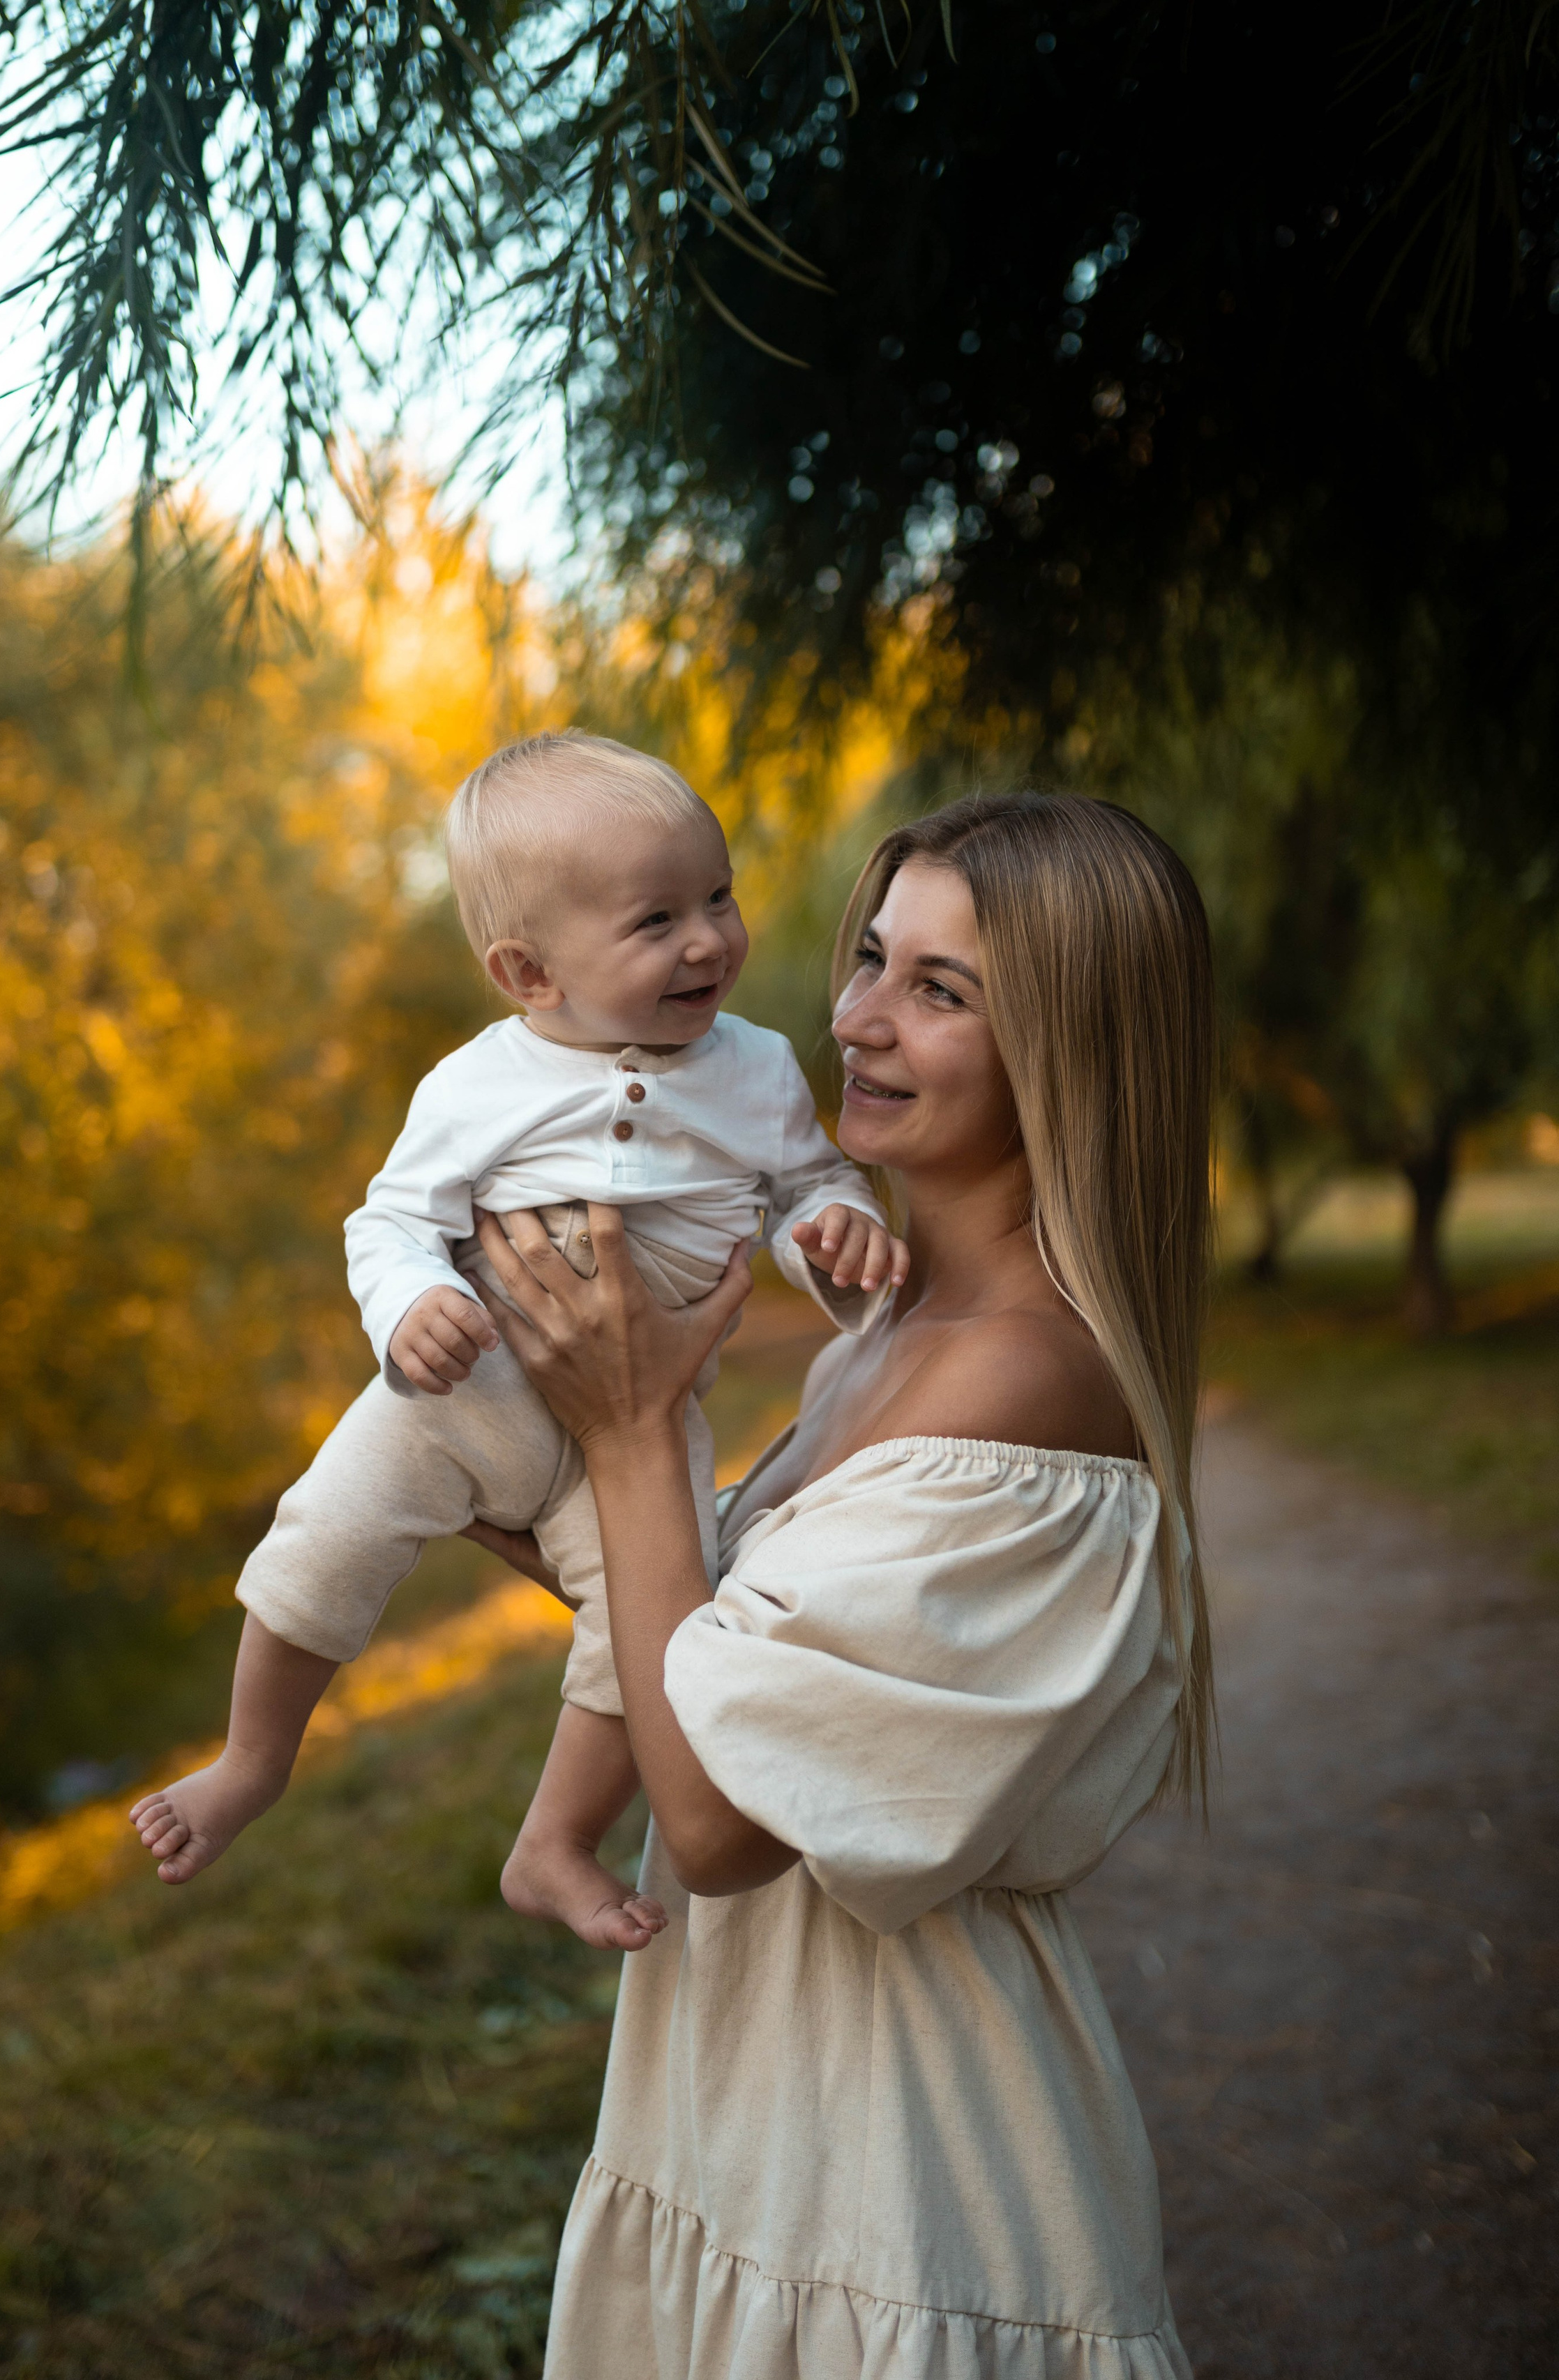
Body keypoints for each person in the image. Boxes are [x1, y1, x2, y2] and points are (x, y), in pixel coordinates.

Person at [469, 791, 1212, 2378]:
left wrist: (629, 1431)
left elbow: (726, 1817)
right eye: (870, 959)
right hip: (744, 2107)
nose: (853, 1020)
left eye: (939, 993)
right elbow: (726, 1666)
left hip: (896, 2163)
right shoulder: (888, 1339)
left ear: (1067, 1051)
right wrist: (506, 1486)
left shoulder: (1021, 1383)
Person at [128, 731, 906, 1948]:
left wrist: (838, 1231)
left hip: (646, 1419)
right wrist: (406, 1309)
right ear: (528, 971)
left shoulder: (754, 1068)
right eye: (657, 920)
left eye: (719, 895)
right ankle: (250, 1761)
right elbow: (390, 1221)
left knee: (657, 1628)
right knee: (323, 1532)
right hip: (464, 1387)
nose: (708, 938)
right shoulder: (473, 1087)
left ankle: (554, 1839)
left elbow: (808, 1184)